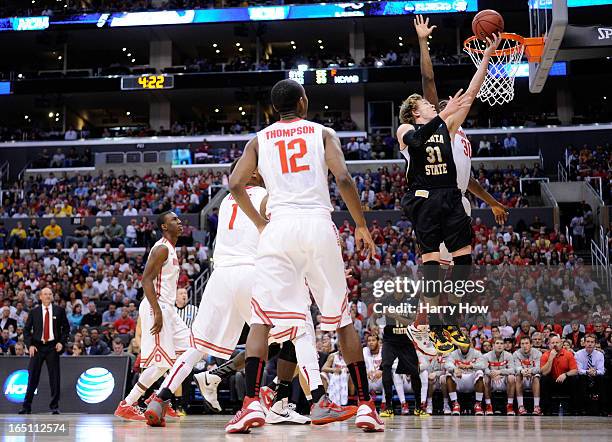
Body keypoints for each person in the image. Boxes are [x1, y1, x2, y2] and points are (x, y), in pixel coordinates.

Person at [226, 79, 383, 433]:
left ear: (274, 108)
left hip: (278, 228)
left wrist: (259, 222)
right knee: (340, 318)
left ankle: (251, 403)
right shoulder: (323, 133)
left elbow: (235, 183)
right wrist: (361, 225)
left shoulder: (258, 139)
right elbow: (342, 177)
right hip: (316, 224)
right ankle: (365, 406)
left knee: (262, 319)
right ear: (302, 101)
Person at [403, 16, 504, 352]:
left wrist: (488, 56)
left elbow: (473, 92)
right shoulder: (432, 128)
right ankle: (428, 325)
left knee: (457, 268)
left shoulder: (458, 134)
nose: (441, 103)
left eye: (444, 104)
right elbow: (428, 79)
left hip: (455, 199)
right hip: (429, 198)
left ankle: (435, 324)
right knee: (438, 268)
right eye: (437, 104)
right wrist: (422, 42)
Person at [114, 211, 191, 423]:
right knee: (161, 364)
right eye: (174, 219)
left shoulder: (172, 249)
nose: (179, 221)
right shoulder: (162, 248)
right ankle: (130, 403)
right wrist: (157, 311)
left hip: (169, 309)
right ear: (164, 227)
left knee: (192, 349)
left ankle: (159, 397)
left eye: (178, 218)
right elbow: (145, 280)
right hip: (156, 307)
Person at [19, 287, 70, 414]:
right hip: (37, 347)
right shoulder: (34, 312)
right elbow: (26, 331)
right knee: (32, 377)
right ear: (40, 297)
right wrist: (30, 345)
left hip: (52, 347)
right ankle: (26, 406)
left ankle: (54, 406)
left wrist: (61, 342)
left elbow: (66, 329)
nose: (48, 296)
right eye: (45, 294)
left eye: (50, 294)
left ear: (52, 296)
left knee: (54, 377)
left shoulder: (59, 311)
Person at [540, 334, 579, 415]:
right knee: (543, 379)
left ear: (561, 344)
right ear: (549, 345)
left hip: (565, 382)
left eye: (557, 342)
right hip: (552, 382)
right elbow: (544, 372)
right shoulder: (545, 355)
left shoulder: (568, 354)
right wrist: (550, 358)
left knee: (575, 378)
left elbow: (575, 370)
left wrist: (565, 374)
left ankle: (575, 409)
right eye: (552, 343)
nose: (555, 344)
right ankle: (546, 410)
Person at [445, 341, 487, 415]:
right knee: (448, 373)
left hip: (471, 379)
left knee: (480, 372)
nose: (463, 345)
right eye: (461, 343)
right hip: (459, 379)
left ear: (469, 344)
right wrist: (455, 369)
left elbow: (483, 365)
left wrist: (471, 366)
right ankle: (455, 403)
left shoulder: (476, 353)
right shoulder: (453, 353)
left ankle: (478, 404)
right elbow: (447, 364)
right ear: (458, 345)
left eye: (465, 343)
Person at [483, 338, 516, 415]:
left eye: (501, 343)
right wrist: (491, 374)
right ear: (493, 346)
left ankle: (510, 406)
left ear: (504, 346)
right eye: (497, 343)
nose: (499, 345)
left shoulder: (509, 355)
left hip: (504, 380)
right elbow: (484, 369)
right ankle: (488, 406)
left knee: (511, 377)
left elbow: (512, 370)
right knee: (486, 378)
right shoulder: (486, 356)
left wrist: (500, 372)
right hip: (492, 380)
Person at [574, 334, 605, 414]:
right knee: (580, 378)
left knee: (603, 378)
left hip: (596, 377)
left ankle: (602, 409)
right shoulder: (578, 354)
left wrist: (595, 372)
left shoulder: (600, 355)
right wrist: (588, 371)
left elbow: (601, 370)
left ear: (595, 344)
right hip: (583, 377)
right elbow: (579, 370)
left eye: (592, 342)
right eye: (588, 342)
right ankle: (582, 408)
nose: (590, 344)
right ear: (584, 343)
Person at [513, 336, 543, 415]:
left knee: (536, 376)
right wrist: (522, 371)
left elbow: (539, 368)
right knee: (518, 375)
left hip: (532, 377)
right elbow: (516, 367)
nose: (524, 346)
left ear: (531, 344)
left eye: (526, 343)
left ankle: (536, 407)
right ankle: (520, 407)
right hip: (522, 377)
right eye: (522, 344)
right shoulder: (516, 353)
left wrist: (530, 371)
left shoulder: (538, 353)